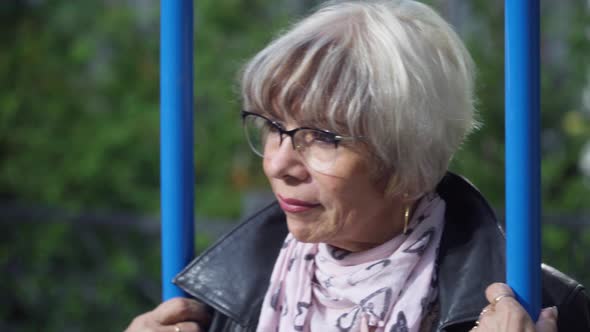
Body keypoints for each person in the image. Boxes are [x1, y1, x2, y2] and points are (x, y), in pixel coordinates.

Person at [126, 1, 590, 331]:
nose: (280, 162)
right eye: (271, 125)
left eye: (323, 138)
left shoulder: (540, 308)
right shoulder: (220, 293)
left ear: (408, 160)